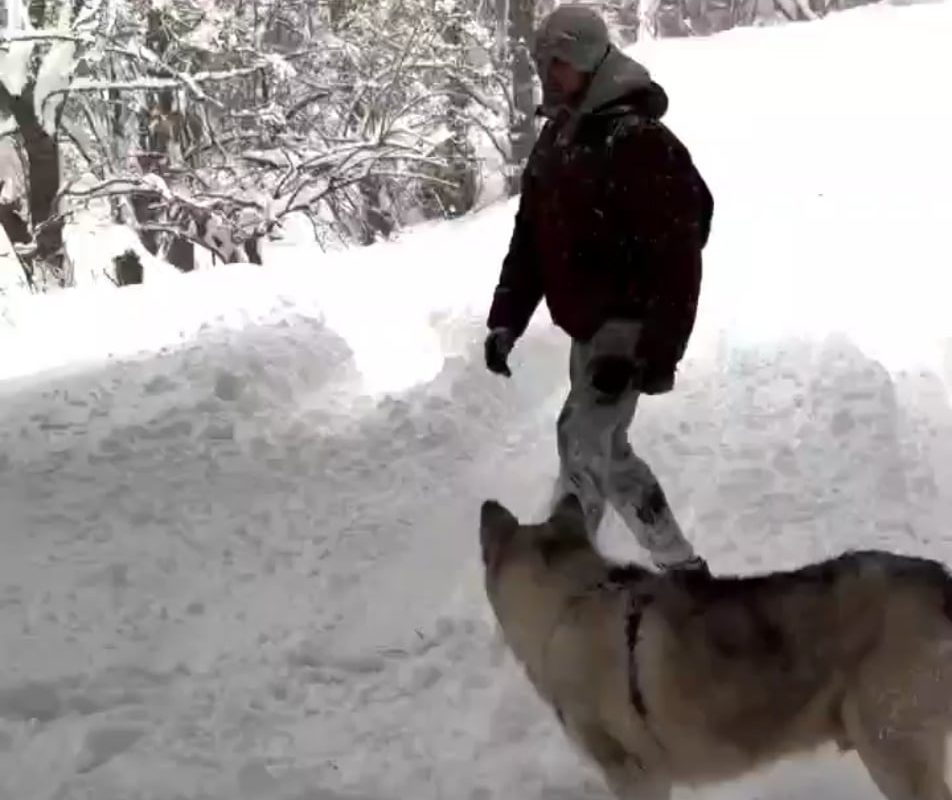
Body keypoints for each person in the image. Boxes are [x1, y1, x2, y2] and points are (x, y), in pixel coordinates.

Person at [483, 3, 713, 573]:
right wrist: (505, 319)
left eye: (557, 63)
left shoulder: (637, 141)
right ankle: (679, 566)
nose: (548, 74)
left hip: (627, 328)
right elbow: (531, 236)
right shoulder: (560, 136)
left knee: (583, 440)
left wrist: (653, 352)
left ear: (586, 58)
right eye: (543, 63)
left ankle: (566, 569)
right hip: (588, 328)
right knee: (598, 449)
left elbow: (680, 252)